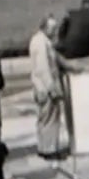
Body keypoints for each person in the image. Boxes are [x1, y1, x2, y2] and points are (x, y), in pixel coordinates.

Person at [28, 13, 74, 161]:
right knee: (50, 119)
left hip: (41, 87)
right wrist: (52, 88)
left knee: (44, 119)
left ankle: (44, 147)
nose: (55, 32)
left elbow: (56, 59)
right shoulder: (41, 44)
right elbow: (43, 68)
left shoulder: (42, 41)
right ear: (44, 27)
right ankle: (50, 150)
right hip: (45, 88)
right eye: (52, 29)